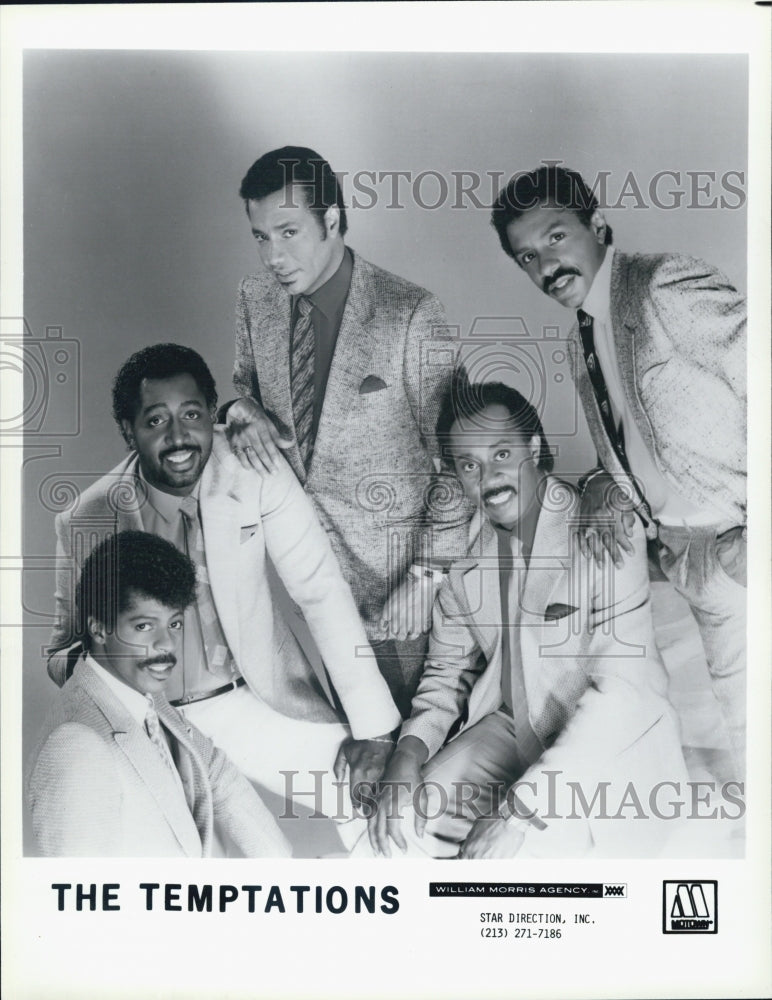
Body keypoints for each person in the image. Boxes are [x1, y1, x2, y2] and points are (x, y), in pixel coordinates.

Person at [47, 343, 401, 819]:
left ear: (212, 414)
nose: (178, 437)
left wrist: (374, 728)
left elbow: (319, 589)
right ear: (127, 431)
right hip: (151, 722)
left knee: (378, 808)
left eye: (191, 414)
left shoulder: (252, 466)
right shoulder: (89, 516)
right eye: (155, 421)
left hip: (253, 696)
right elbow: (61, 654)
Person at [490, 165, 746, 773]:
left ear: (598, 225)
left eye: (555, 238)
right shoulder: (582, 339)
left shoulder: (662, 285)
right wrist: (607, 485)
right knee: (747, 727)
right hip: (690, 561)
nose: (545, 267)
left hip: (739, 542)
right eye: (527, 257)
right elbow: (629, 446)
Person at [369, 377, 687, 859]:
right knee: (397, 829)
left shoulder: (603, 527)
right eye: (469, 464)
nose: (488, 477)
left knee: (514, 863)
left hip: (605, 743)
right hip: (510, 728)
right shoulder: (460, 556)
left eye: (501, 454)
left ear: (534, 446)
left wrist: (520, 812)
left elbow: (622, 692)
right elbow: (445, 673)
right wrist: (406, 755)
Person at [224, 145, 470, 716]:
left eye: (288, 232)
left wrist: (429, 574)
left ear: (331, 219)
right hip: (309, 580)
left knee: (425, 758)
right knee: (364, 748)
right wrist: (238, 412)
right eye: (261, 237)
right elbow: (246, 393)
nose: (272, 256)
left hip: (404, 588)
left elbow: (462, 460)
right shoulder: (254, 299)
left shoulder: (410, 313)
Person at [29, 530, 291, 857]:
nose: (166, 644)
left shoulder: (143, 695)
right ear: (98, 628)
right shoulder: (76, 746)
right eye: (144, 626)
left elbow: (218, 774)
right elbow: (84, 899)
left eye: (175, 624)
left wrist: (284, 872)